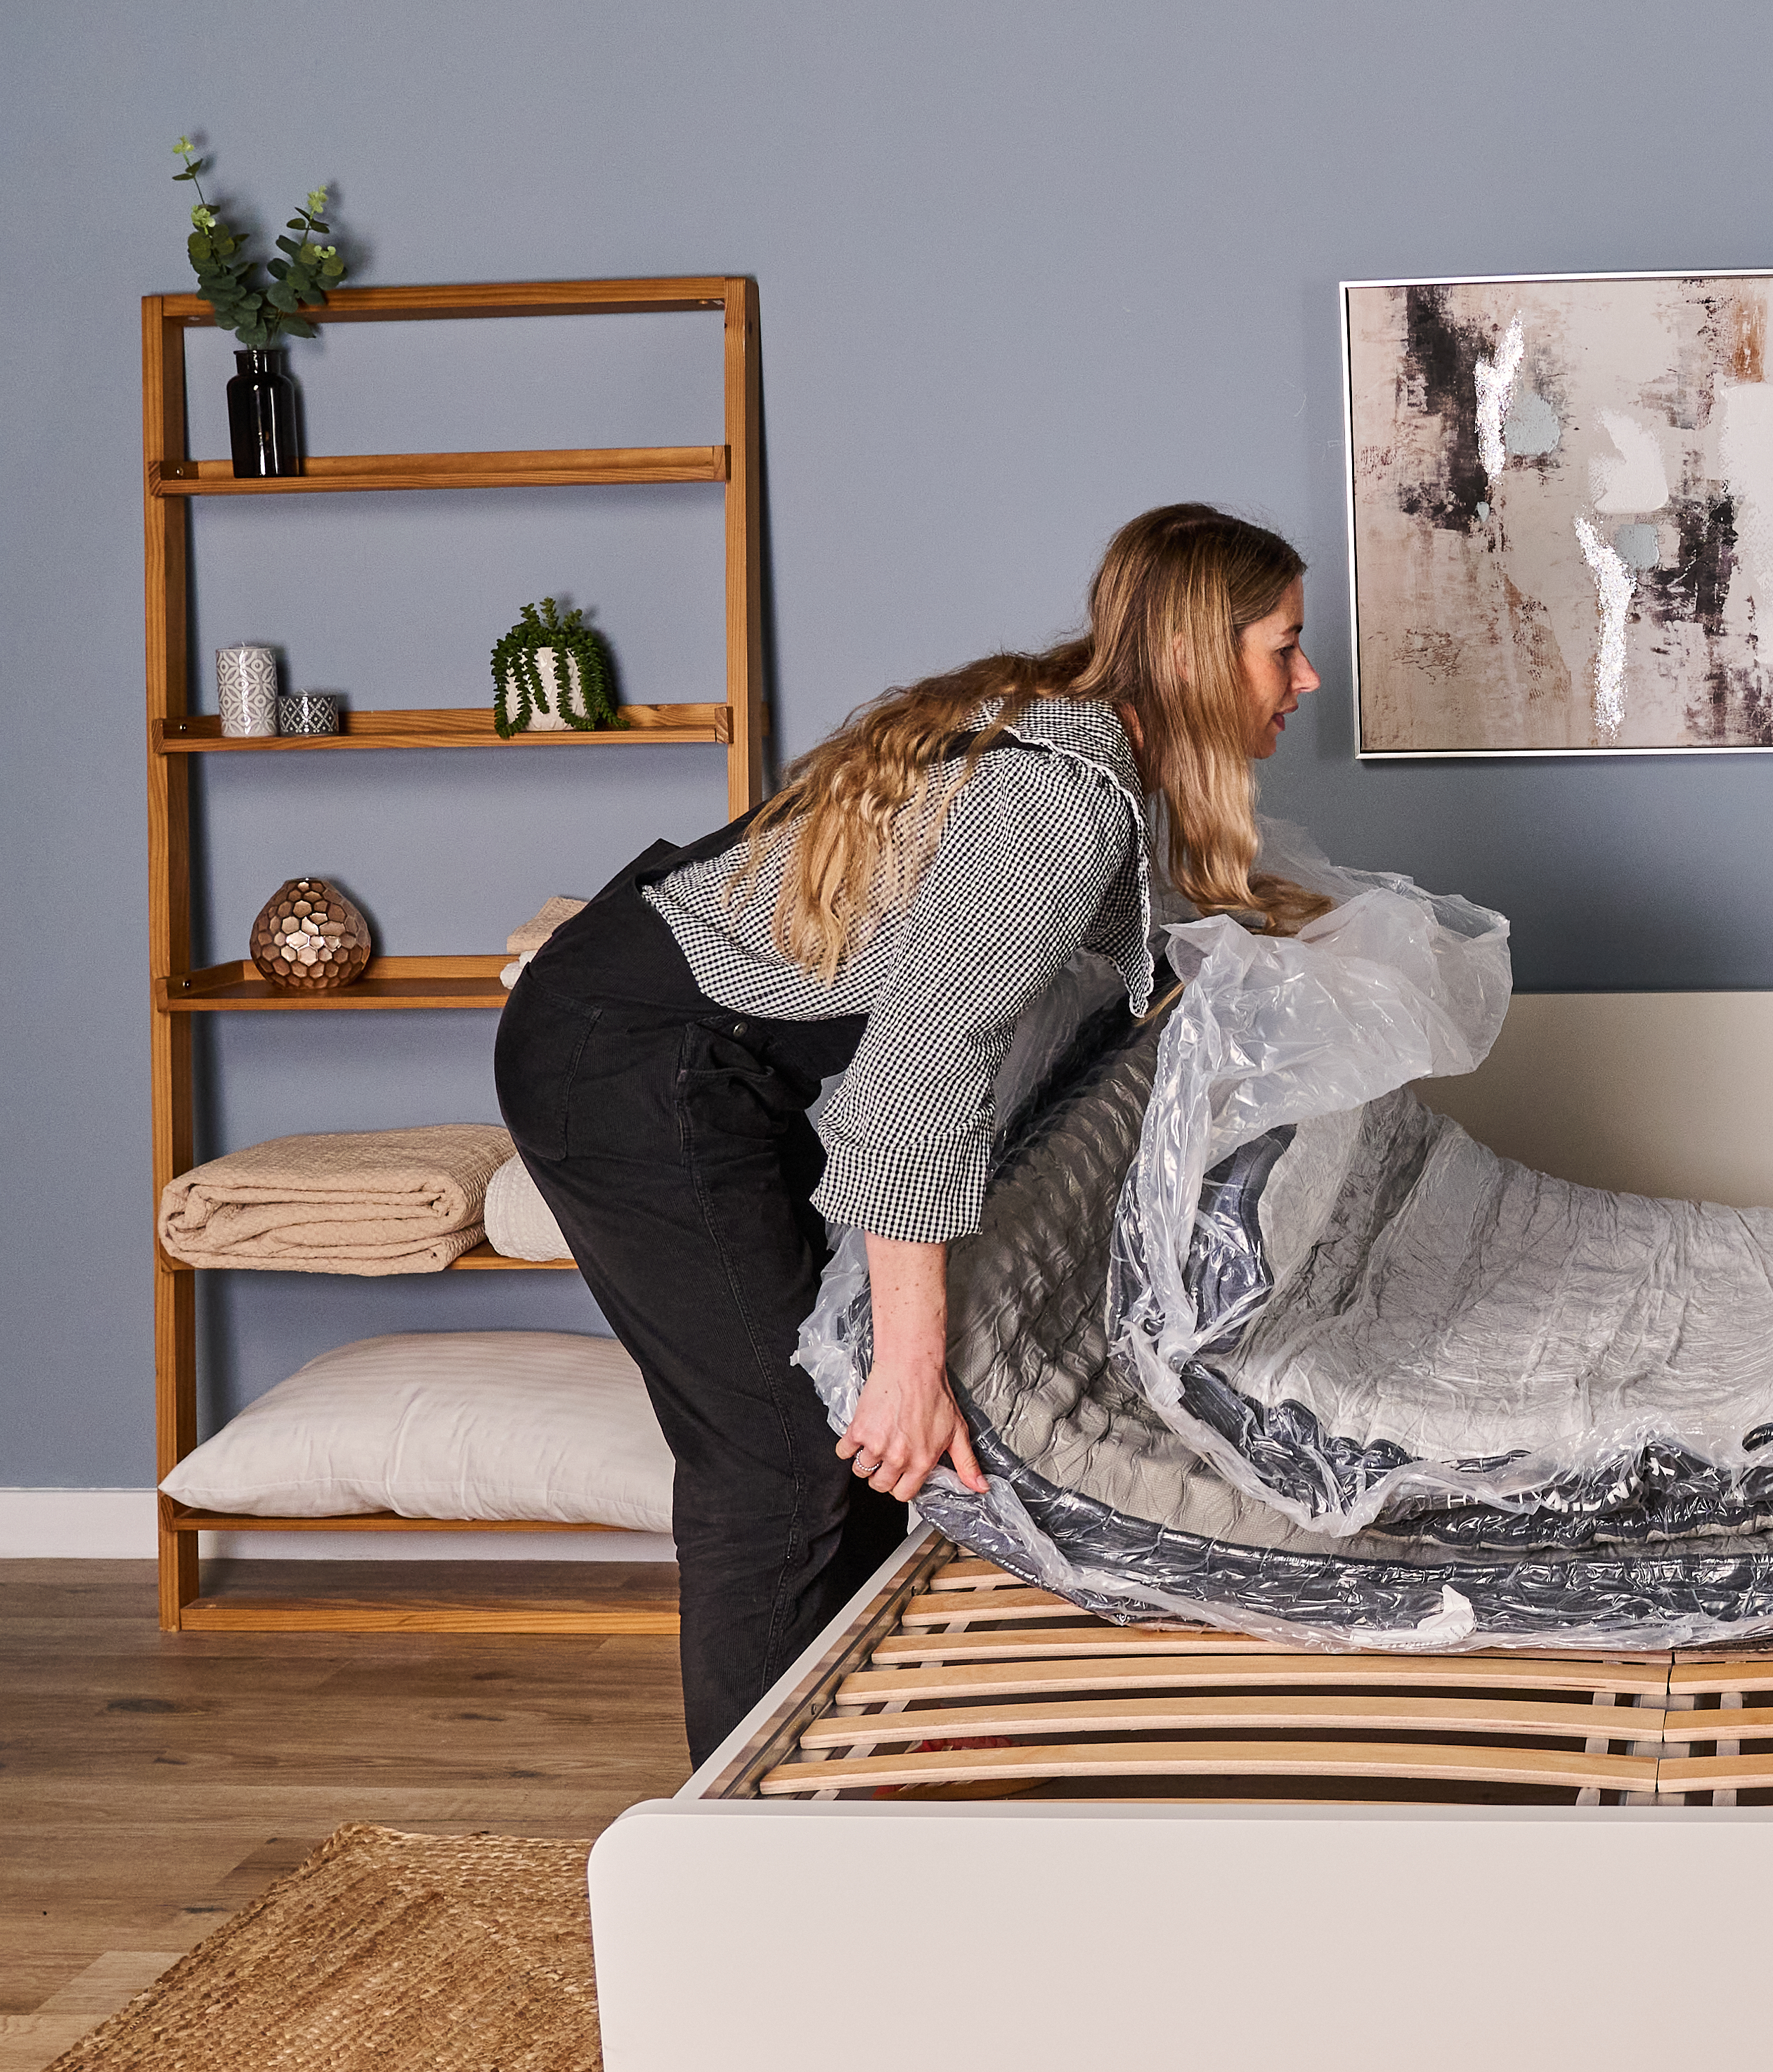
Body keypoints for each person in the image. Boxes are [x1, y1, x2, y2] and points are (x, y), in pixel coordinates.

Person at [495, 503, 1330, 1762]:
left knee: (847, 1442)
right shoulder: (1060, 801)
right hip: (624, 1058)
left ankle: (851, 1772)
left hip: (722, 1053)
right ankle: (746, 1843)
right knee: (785, 1453)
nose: (1306, 678)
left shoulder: (1091, 756)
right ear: (1198, 656)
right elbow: (917, 1081)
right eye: (1285, 647)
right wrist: (907, 1357)